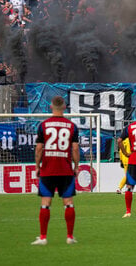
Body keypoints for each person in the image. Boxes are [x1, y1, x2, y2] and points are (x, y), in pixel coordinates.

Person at [32, 96, 79, 245]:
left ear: (51, 107)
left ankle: (43, 237)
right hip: (65, 169)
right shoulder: (72, 126)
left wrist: (37, 166)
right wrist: (76, 166)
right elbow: (75, 148)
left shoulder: (43, 125)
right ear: (64, 107)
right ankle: (70, 237)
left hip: (48, 169)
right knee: (68, 203)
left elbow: (39, 148)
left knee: (46, 203)